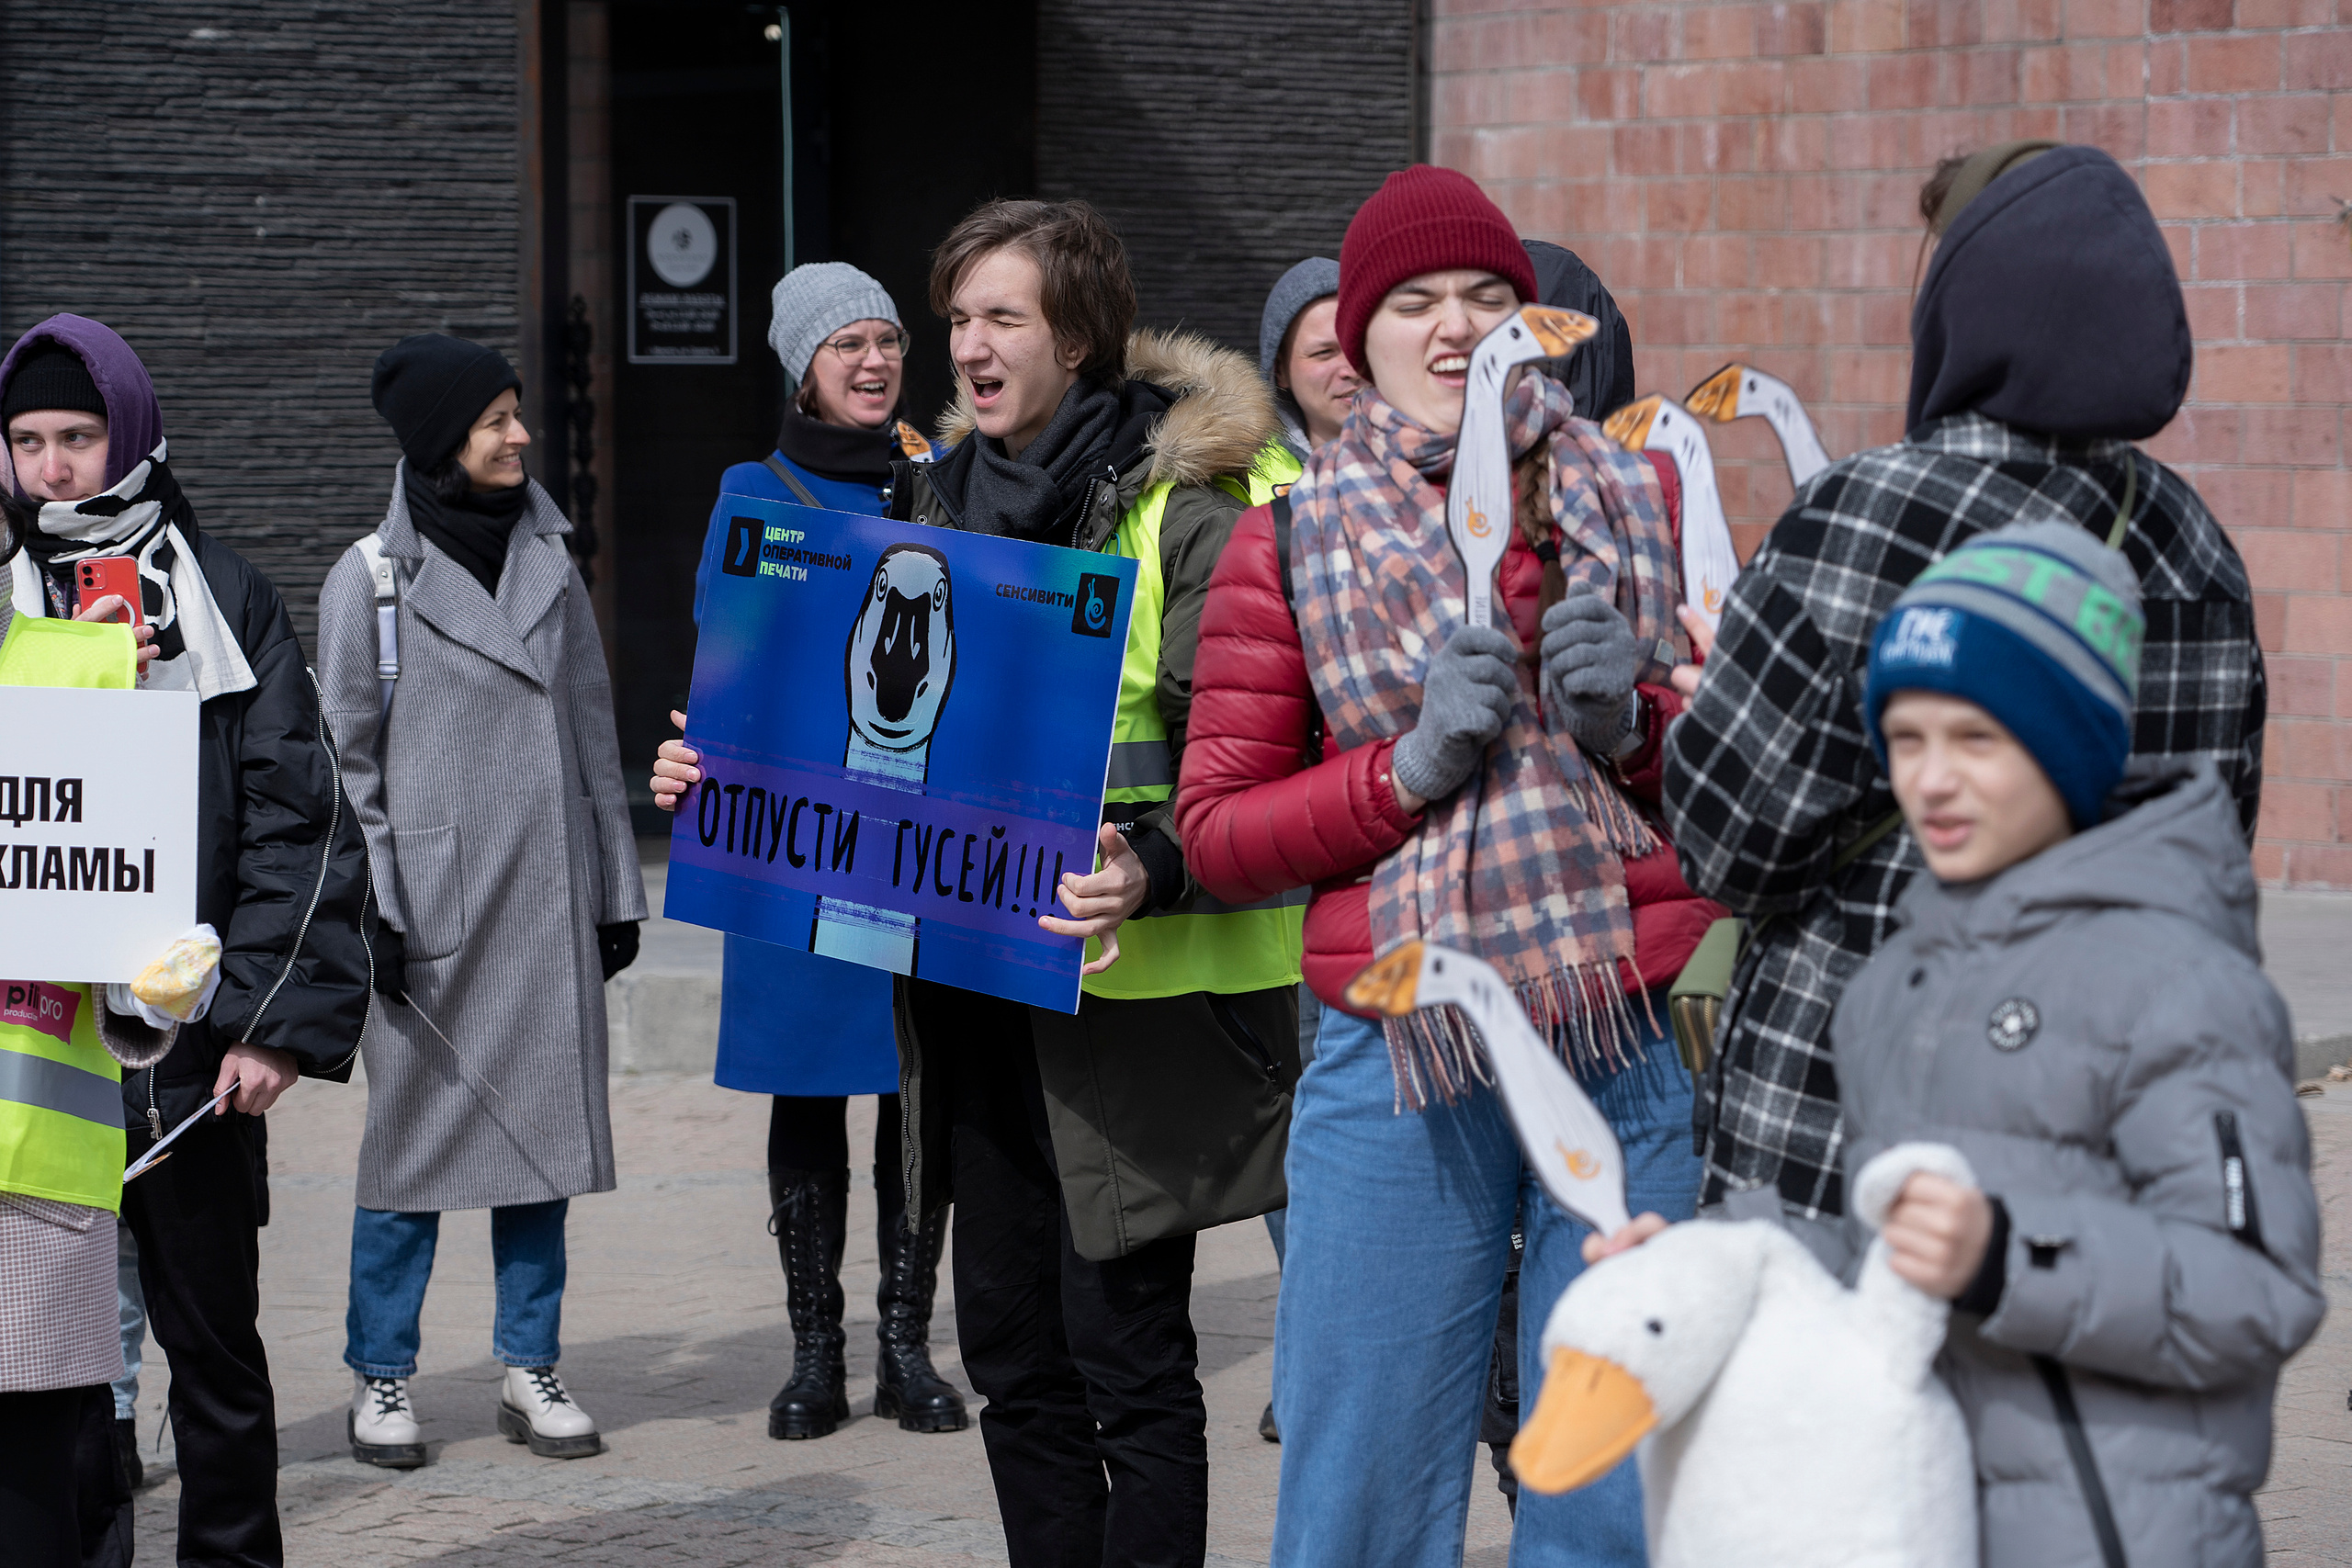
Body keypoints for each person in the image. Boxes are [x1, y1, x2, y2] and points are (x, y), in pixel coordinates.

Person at [656, 197, 1301, 1567]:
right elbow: (840, 730)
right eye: (959, 318)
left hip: (1127, 1019)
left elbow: (1242, 750)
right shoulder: (926, 497)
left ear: (1076, 334)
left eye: (999, 315)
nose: (969, 343)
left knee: (1126, 1360)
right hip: (969, 1006)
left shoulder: (1192, 508)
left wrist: (1154, 862)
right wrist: (722, 775)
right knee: (1013, 1353)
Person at [1176, 164, 1717, 1567]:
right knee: (1357, 1490)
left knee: (1609, 1497)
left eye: (1489, 296)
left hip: (1618, 1031)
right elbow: (1222, 832)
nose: (1457, 325)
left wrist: (1636, 727)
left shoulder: (1632, 495)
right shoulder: (1286, 540)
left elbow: (1726, 801)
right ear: (1356, 341)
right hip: (1398, 1059)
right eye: (1414, 301)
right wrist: (1401, 770)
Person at [1659, 142, 2267, 1260]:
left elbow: (1726, 844)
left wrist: (1711, 711)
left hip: (1846, 1135)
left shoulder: (1870, 511)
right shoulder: (2197, 550)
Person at [1834, 523, 2322, 1566]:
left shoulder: (2177, 982)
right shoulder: (1889, 987)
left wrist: (2008, 1256)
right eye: (1907, 739)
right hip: (1928, 1523)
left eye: (1977, 740)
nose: (1931, 781)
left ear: (2065, 743)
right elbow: (1880, 1251)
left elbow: (2256, 1288)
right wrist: (1716, 1266)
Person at [2, 314, 375, 1567]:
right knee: (48, 1365)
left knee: (212, 1350)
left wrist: (271, 1021)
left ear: (133, 431)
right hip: (31, 1052)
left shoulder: (223, 596)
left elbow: (300, 815)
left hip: (189, 1045)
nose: (53, 466)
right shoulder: (0, 593)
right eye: (28, 441)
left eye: (77, 434)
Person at [316, 335, 646, 1467]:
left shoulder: (552, 554)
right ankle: (383, 1376)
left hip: (544, 904)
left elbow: (592, 734)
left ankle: (530, 1363)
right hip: (435, 918)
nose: (518, 436)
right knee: (408, 1155)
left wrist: (613, 887)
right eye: (496, 419)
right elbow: (347, 769)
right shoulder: (368, 581)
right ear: (437, 441)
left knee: (543, 1148)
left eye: (517, 414)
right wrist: (382, 913)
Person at [679, 261, 967, 1441]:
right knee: (807, 1088)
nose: (874, 361)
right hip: (797, 847)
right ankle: (814, 1353)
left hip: (921, 849)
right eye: (846, 343)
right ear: (803, 363)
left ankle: (906, 1345)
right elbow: (727, 660)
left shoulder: (941, 490)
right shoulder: (757, 490)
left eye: (889, 340)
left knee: (916, 1092)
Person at [0, 488, 174, 1568]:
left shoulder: (80, 673)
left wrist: (152, 982)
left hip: (34, 1184)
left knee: (32, 1505)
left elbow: (125, 953)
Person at [1259, 257, 1360, 462]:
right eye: (1324, 353)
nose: (1352, 370)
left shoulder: (1437, 462)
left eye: (1359, 346)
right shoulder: (1244, 483)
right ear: (1279, 371)